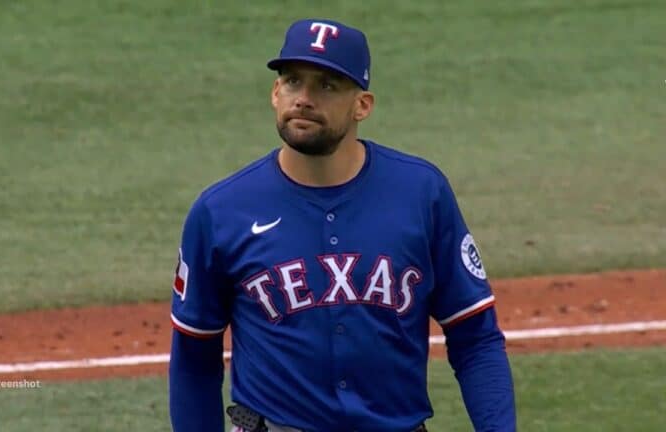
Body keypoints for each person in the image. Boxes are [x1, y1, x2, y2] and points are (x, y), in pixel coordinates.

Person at [169, 18, 516, 432]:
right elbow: (194, 359)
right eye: (294, 81)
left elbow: (475, 338)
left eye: (327, 85)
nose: (304, 98)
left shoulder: (421, 193)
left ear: (362, 105)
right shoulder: (221, 211)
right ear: (275, 93)